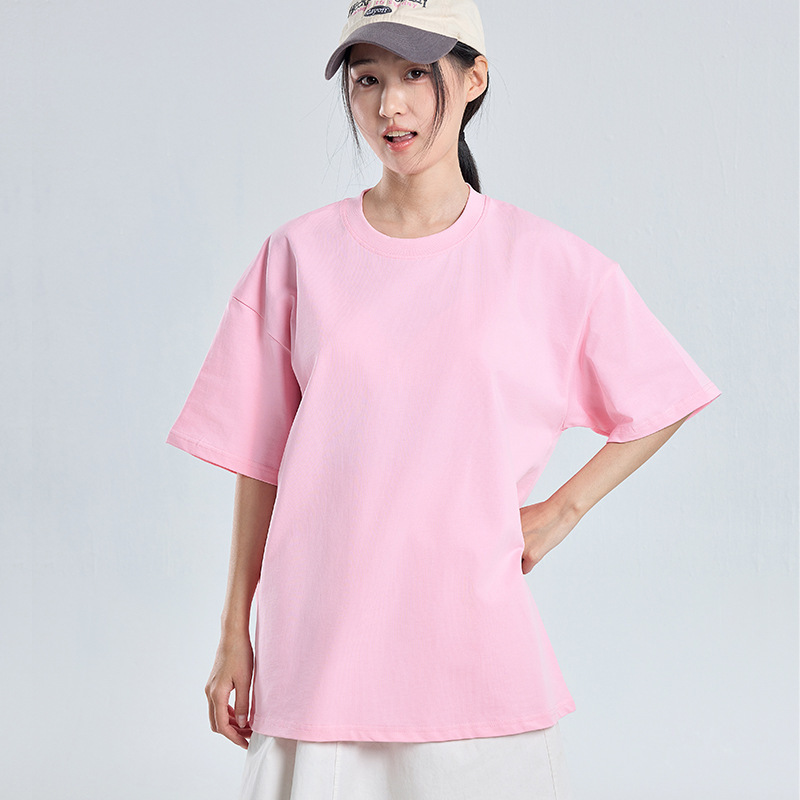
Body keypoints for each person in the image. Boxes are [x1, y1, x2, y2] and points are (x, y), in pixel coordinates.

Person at [166, 1, 721, 797]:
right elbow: (260, 461)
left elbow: (664, 391)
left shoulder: (541, 261)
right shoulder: (298, 256)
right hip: (318, 656)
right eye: (367, 80)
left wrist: (559, 512)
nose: (390, 105)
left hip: (476, 661)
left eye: (416, 75)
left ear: (473, 79)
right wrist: (233, 633)